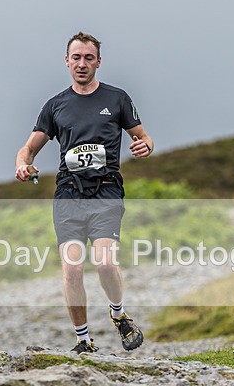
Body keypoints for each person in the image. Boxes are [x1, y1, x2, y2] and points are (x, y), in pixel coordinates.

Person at [15, 31, 154, 354]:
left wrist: (145, 146)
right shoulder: (55, 106)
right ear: (67, 61)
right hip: (68, 193)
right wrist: (22, 165)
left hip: (106, 191)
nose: (82, 63)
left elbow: (144, 137)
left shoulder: (117, 99)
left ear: (98, 62)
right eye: (76, 57)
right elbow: (28, 148)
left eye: (88, 58)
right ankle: (82, 340)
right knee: (72, 269)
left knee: (104, 263)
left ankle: (119, 315)